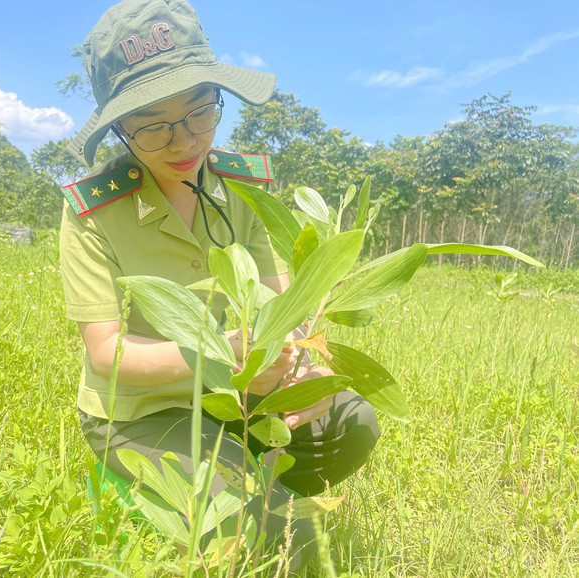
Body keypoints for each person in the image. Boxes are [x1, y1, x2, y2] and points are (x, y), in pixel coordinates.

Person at [60, 0, 380, 571]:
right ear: (120, 129)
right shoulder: (94, 211)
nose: (184, 141)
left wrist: (311, 367)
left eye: (200, 111)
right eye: (152, 126)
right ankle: (251, 508)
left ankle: (264, 488)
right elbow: (107, 355)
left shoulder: (241, 186)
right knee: (289, 539)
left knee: (353, 423)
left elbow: (286, 299)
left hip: (238, 394)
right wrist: (225, 354)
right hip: (144, 413)